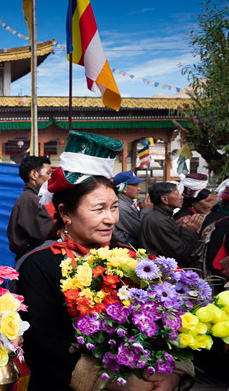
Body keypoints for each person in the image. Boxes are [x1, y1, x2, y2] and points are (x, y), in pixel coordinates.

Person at [17, 131, 188, 391]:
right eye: (98, 209)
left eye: (114, 207)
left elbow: (164, 323)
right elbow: (44, 345)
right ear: (65, 213)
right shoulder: (39, 265)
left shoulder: (132, 258)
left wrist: (172, 374)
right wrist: (115, 384)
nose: (111, 219)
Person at [140, 182, 202, 267]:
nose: (181, 197)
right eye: (177, 194)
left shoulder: (163, 216)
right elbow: (179, 252)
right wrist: (189, 231)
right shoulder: (158, 220)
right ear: (165, 199)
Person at [7, 155, 56, 259]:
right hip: (31, 259)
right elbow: (47, 233)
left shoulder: (30, 197)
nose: (51, 178)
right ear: (34, 174)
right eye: (48, 173)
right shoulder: (30, 199)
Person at [112, 170, 152, 248]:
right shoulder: (121, 206)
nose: (139, 189)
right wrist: (145, 210)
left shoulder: (126, 202)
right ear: (123, 188)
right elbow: (143, 232)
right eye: (135, 185)